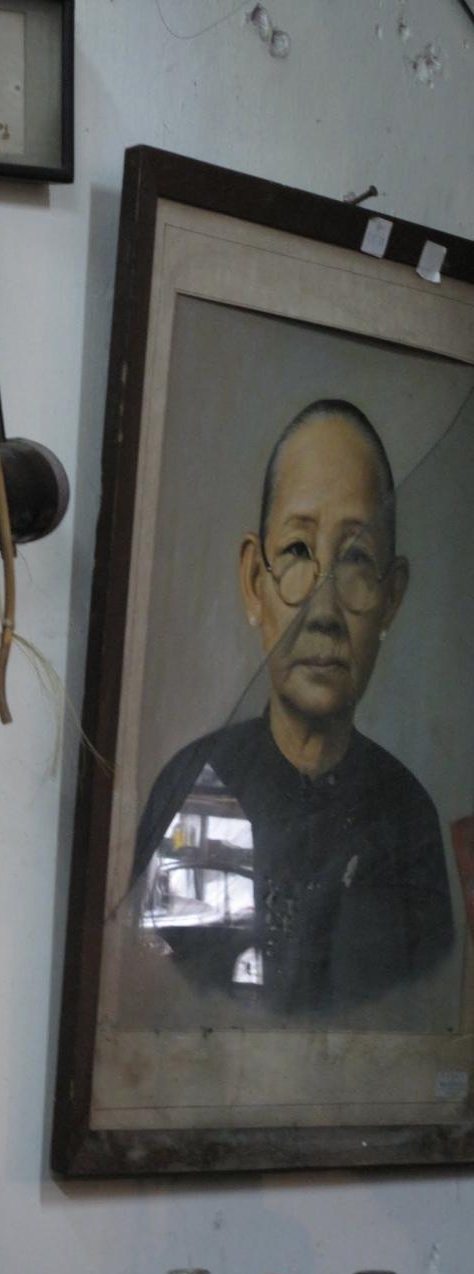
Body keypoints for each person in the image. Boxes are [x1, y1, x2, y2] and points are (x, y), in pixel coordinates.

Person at [132, 400, 454, 1016]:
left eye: (356, 559)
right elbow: (155, 1004)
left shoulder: (407, 820)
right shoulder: (195, 792)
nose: (323, 611)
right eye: (299, 551)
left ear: (391, 598)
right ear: (255, 581)